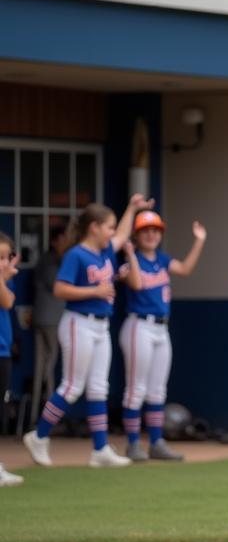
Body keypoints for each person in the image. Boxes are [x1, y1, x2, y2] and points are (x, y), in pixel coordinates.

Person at [23, 195, 152, 468]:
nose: (113, 232)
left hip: (101, 324)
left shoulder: (104, 252)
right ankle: (39, 436)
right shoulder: (76, 254)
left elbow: (124, 234)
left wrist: (131, 207)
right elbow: (60, 289)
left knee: (98, 388)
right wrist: (94, 290)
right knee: (71, 386)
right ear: (94, 227)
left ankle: (100, 448)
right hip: (77, 322)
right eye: (109, 227)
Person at [119, 211, 207, 462]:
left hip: (161, 327)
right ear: (137, 234)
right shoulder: (130, 261)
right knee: (136, 389)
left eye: (155, 230)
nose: (151, 234)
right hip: (139, 326)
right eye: (146, 230)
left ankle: (156, 441)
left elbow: (186, 269)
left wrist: (199, 240)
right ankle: (134, 443)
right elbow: (135, 284)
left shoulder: (162, 260)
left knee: (157, 390)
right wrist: (130, 254)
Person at [30, 223, 71, 423]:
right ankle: (46, 417)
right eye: (63, 239)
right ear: (55, 241)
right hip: (50, 319)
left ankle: (41, 416)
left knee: (45, 367)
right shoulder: (50, 260)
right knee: (46, 368)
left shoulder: (54, 259)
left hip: (47, 319)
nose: (66, 243)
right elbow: (59, 286)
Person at [0, 233, 24, 486]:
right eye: (0, 258)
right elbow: (5, 300)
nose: (5, 263)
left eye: (7, 257)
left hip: (3, 351)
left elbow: (8, 300)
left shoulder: (6, 280)